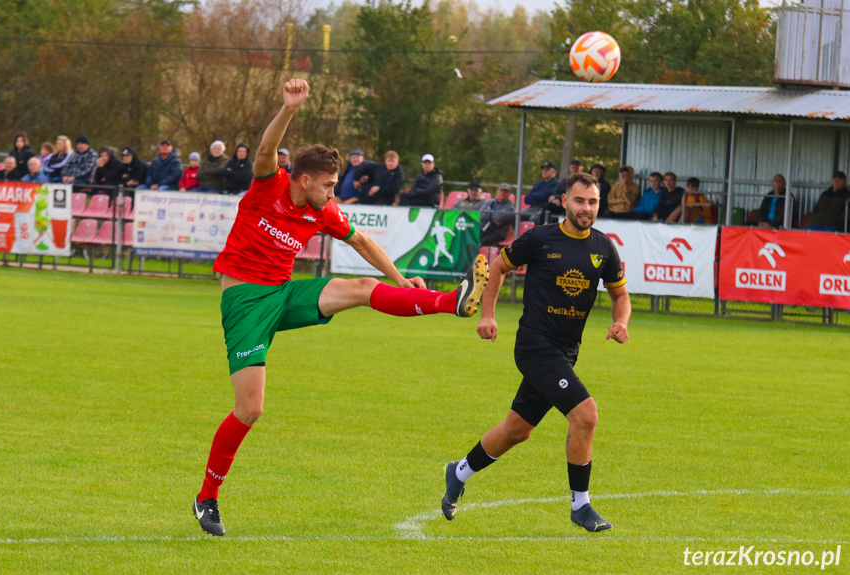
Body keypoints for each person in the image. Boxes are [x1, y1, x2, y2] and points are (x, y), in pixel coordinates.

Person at [192, 79, 490, 537]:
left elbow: (364, 240)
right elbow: (267, 150)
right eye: (328, 185)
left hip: (283, 292)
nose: (333, 194)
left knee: (360, 287)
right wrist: (288, 108)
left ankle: (452, 301)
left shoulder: (322, 211)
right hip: (244, 302)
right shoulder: (267, 187)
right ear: (304, 179)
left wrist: (399, 278)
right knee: (250, 409)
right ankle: (207, 496)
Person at [441, 172, 630, 533]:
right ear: (563, 201)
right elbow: (497, 267)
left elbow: (620, 295)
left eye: (592, 202)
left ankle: (459, 471)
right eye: (579, 201)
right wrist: (488, 314)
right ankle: (581, 505)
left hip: (566, 351)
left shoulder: (604, 247)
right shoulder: (542, 239)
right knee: (586, 415)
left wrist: (622, 322)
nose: (586, 208)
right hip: (534, 346)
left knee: (517, 429)